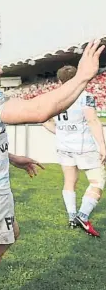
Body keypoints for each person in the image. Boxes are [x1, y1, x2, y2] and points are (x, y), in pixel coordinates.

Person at [0, 41, 104, 290]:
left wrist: (10, 157)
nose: (0, 69)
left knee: (4, 239)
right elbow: (39, 110)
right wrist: (83, 77)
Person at [42, 65, 105, 237]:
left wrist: (61, 132)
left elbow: (44, 121)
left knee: (70, 181)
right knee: (97, 182)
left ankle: (71, 217)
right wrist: (103, 146)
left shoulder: (55, 98)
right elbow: (92, 121)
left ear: (59, 81)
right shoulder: (84, 96)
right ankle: (82, 216)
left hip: (64, 146)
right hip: (84, 147)